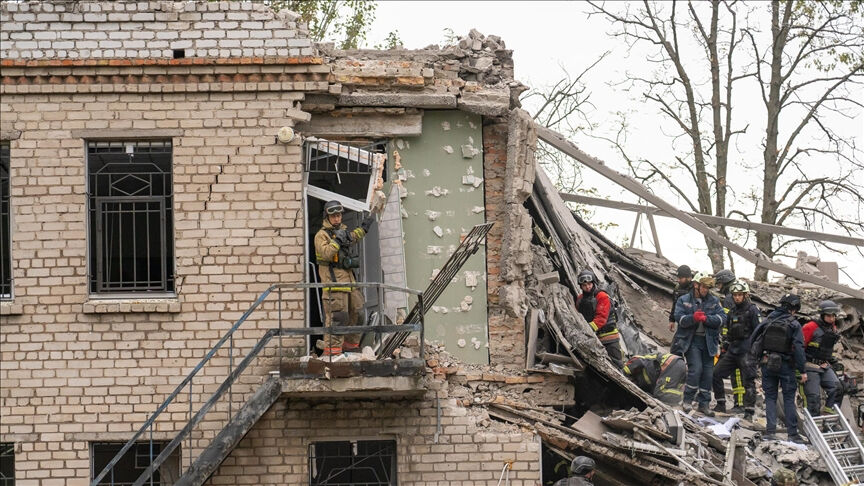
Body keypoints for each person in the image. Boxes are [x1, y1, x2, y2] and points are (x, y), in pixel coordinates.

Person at [314, 200, 374, 356]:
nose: (336, 218)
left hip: (350, 282)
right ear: (327, 216)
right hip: (334, 284)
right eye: (333, 216)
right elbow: (326, 253)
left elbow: (354, 236)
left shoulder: (343, 231)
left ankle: (350, 345)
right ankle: (333, 353)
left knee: (359, 313)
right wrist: (337, 241)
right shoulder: (321, 235)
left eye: (339, 215)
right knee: (338, 317)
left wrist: (366, 225)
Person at [750, 293, 807, 443]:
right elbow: (800, 348)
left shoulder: (768, 319)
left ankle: (770, 432)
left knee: (770, 397)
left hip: (767, 363)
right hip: (786, 365)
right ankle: (792, 434)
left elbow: (753, 338)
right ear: (793, 308)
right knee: (788, 399)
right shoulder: (794, 324)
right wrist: (802, 370)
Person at [673, 272, 726, 415]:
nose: (705, 290)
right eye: (703, 287)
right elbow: (680, 318)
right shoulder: (683, 299)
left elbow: (722, 318)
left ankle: (704, 404)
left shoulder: (714, 301)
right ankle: (688, 400)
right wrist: (693, 318)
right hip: (692, 341)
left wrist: (707, 319)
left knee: (708, 373)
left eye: (708, 288)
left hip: (709, 342)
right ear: (696, 285)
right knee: (696, 369)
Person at [711, 280, 759, 419]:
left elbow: (759, 331)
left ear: (745, 295)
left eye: (739, 295)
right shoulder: (732, 312)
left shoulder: (752, 310)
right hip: (733, 350)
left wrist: (756, 351)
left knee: (748, 381)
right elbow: (728, 331)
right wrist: (725, 346)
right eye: (735, 295)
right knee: (716, 373)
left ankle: (749, 411)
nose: (737, 297)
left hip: (746, 351)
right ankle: (721, 403)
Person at [801, 300, 843, 416]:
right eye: (829, 316)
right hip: (809, 366)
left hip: (824, 365)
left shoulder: (832, 328)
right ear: (822, 315)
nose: (832, 318)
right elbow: (797, 348)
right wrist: (799, 369)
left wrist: (831, 360)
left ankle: (829, 416)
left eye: (834, 316)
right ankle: (812, 423)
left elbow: (826, 348)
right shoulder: (810, 327)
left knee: (838, 388)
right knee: (814, 397)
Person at [711, 269, 744, 414]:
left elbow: (727, 322)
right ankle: (736, 404)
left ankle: (736, 404)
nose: (718, 286)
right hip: (735, 344)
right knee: (736, 375)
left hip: (732, 344)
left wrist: (725, 341)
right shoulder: (734, 296)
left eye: (719, 282)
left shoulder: (730, 298)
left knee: (733, 374)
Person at [576, 269, 623, 368]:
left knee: (616, 364)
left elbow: (601, 318)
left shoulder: (602, 296)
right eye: (584, 285)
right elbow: (578, 316)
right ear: (580, 286)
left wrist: (587, 329)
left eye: (589, 284)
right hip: (594, 337)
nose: (587, 287)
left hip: (609, 337)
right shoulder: (580, 299)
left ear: (593, 283)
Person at [668, 265, 694, 336]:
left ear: (689, 277)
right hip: (681, 324)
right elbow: (675, 304)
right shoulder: (677, 288)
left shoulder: (696, 289)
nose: (678, 280)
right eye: (678, 278)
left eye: (681, 278)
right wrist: (672, 320)